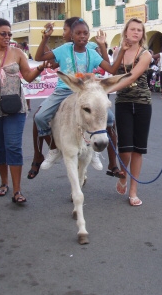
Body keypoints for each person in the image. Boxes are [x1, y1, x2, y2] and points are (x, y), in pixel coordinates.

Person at [0, 18, 44, 204]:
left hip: (15, 108)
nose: (7, 37)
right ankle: (4, 183)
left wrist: (41, 68)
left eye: (9, 34)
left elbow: (27, 77)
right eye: (3, 33)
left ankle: (17, 190)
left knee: (13, 145)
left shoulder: (18, 53)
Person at [28, 17, 107, 178]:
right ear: (72, 34)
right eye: (77, 33)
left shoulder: (91, 48)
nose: (82, 36)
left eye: (85, 33)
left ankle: (98, 154)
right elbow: (44, 58)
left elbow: (108, 65)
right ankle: (53, 148)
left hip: (87, 91)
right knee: (40, 117)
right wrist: (45, 37)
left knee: (109, 119)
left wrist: (102, 45)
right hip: (64, 91)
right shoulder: (64, 49)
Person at [108, 18, 153, 206]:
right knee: (125, 148)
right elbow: (112, 73)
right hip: (123, 103)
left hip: (142, 103)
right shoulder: (119, 51)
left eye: (139, 30)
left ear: (142, 34)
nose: (136, 32)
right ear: (125, 32)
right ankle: (123, 174)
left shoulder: (146, 54)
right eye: (132, 29)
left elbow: (132, 76)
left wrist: (106, 90)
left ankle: (133, 190)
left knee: (138, 149)